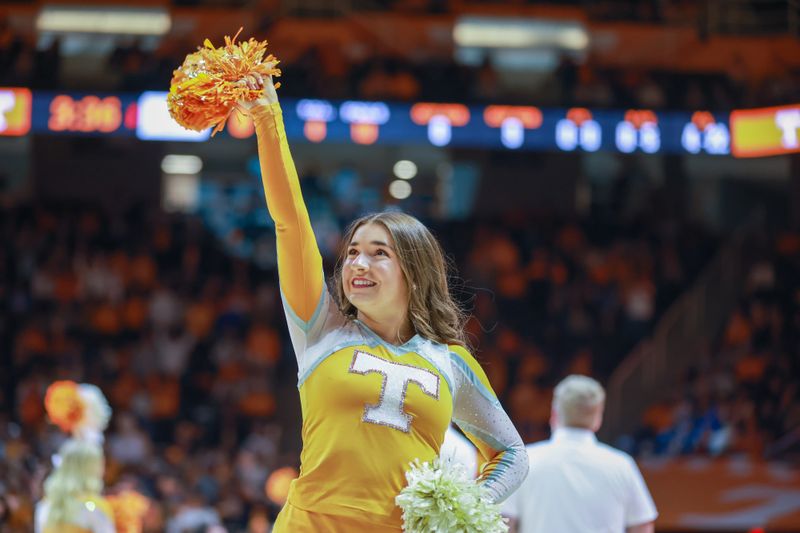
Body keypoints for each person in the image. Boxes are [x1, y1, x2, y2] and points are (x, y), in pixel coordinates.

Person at [236, 70, 528, 531]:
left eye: (378, 254)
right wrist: (268, 118)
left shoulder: (450, 362)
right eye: (352, 252)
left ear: (414, 271)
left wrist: (464, 507)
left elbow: (512, 454)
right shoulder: (322, 327)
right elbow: (290, 222)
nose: (357, 264)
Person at [502, 375, 657, 533]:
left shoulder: (524, 461)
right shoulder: (622, 465)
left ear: (554, 414)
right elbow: (642, 526)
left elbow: (505, 523)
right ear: (598, 418)